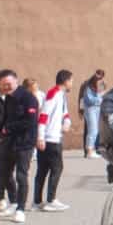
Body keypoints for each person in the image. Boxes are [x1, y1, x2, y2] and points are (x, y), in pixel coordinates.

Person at [0, 68, 39, 222]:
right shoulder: (8, 99)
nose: (6, 87)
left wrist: (9, 128)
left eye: (8, 84)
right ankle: (13, 203)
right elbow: (4, 119)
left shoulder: (29, 98)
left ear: (16, 81)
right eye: (3, 84)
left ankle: (20, 209)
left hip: (25, 143)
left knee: (21, 175)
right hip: (8, 142)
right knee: (4, 174)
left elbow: (30, 121)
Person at [31, 69, 73, 214]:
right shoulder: (53, 93)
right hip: (50, 139)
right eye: (71, 81)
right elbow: (43, 115)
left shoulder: (61, 96)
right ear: (66, 81)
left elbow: (64, 113)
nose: (72, 83)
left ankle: (37, 202)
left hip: (53, 137)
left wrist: (67, 121)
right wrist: (40, 137)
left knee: (43, 170)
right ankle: (50, 200)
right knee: (56, 168)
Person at [79, 70, 105, 159]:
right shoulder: (87, 85)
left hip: (98, 110)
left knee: (95, 130)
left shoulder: (101, 84)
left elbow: (102, 96)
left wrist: (102, 96)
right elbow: (87, 100)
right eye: (98, 76)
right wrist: (80, 110)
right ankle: (89, 151)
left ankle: (93, 149)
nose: (100, 78)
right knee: (92, 130)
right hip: (90, 110)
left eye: (101, 76)